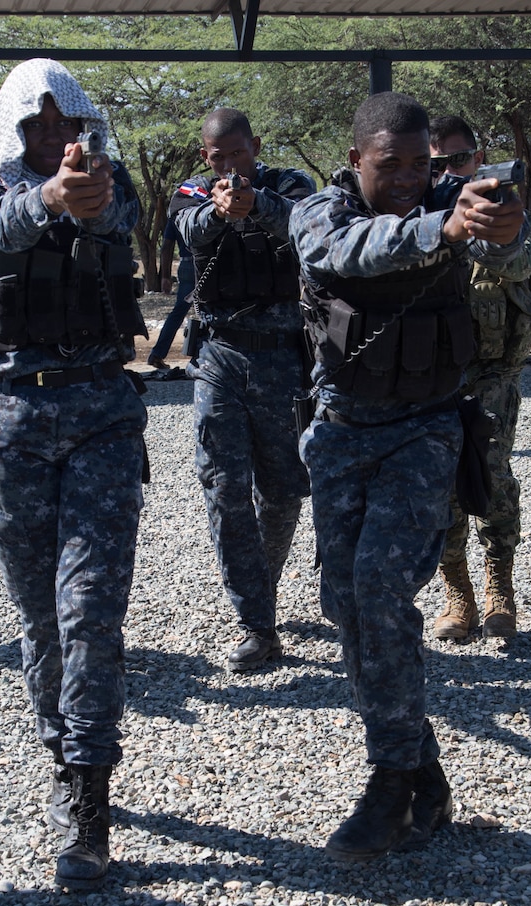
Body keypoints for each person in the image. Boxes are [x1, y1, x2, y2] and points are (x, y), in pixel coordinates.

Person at [288, 92, 531, 862]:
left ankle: (390, 780)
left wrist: (506, 228)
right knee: (344, 604)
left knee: (379, 590)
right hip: (339, 432)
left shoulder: (451, 200)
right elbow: (348, 254)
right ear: (356, 157)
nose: (404, 179)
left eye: (419, 166)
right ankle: (423, 768)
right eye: (387, 165)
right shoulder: (316, 210)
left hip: (427, 429)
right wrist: (442, 226)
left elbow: (514, 258)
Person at [0, 58, 149, 890]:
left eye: (66, 125)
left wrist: (85, 198)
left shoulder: (110, 185)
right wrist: (46, 200)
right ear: (12, 130)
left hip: (102, 412)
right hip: (13, 423)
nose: (55, 139)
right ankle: (60, 748)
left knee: (92, 611)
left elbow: (117, 223)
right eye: (38, 128)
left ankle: (88, 797)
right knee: (39, 618)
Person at [169, 108, 316, 672]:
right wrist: (221, 211)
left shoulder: (289, 186)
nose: (229, 165)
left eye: (238, 153)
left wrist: (261, 205)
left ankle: (261, 586)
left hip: (283, 358)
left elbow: (309, 225)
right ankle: (256, 620)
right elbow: (189, 228)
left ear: (255, 145)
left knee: (281, 489)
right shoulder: (192, 193)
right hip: (219, 356)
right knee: (224, 486)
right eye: (217, 156)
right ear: (205, 156)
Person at [429, 116, 531, 640]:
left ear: (478, 158)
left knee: (492, 474)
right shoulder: (412, 211)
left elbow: (517, 262)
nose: (449, 171)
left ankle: (500, 584)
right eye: (436, 164)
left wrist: (479, 223)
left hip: (492, 370)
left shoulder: (503, 208)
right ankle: (458, 592)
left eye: (458, 159)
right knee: (441, 487)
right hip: (428, 375)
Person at [147, 219, 195, 370]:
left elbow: (166, 247)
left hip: (186, 265)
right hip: (205, 264)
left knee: (178, 313)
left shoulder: (176, 214)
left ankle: (157, 354)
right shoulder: (206, 208)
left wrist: (165, 277)